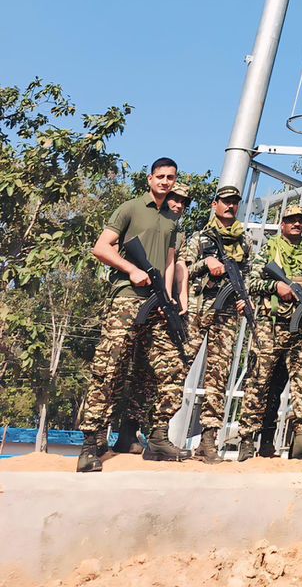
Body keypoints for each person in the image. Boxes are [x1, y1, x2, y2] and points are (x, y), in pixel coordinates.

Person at [76, 156, 192, 473]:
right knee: (108, 370)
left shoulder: (172, 219)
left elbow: (169, 263)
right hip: (127, 300)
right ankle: (90, 446)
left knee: (173, 369)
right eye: (161, 176)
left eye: (171, 177)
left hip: (157, 304)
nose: (166, 182)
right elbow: (101, 247)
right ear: (150, 178)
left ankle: (157, 438)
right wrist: (131, 269)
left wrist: (168, 301)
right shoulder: (130, 208)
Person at [239, 203, 302, 462]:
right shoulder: (270, 248)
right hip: (271, 325)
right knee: (259, 381)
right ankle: (248, 438)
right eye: (291, 220)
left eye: (300, 220)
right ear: (283, 223)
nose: (296, 224)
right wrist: (275, 285)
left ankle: (301, 438)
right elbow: (251, 283)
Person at [184, 185, 251, 462]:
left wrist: (245, 299)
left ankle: (208, 438)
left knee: (218, 376)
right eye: (225, 202)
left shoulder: (244, 242)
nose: (230, 207)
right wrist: (205, 263)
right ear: (214, 204)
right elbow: (183, 270)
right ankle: (158, 430)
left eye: (234, 202)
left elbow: (248, 275)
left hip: (226, 314)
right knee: (179, 366)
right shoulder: (201, 237)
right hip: (198, 309)